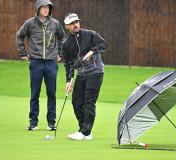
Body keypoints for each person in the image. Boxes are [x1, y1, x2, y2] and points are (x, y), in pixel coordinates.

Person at [16, 0, 65, 131]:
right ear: (38, 9)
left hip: (51, 63)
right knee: (35, 93)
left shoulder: (55, 24)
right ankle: (33, 123)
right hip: (36, 62)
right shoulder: (29, 23)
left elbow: (62, 37)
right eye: (43, 7)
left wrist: (60, 52)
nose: (46, 10)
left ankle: (51, 123)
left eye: (48, 8)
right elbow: (19, 36)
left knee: (52, 94)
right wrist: (22, 53)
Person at [62, 13, 108, 140]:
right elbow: (68, 64)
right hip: (81, 74)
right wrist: (68, 80)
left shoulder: (90, 34)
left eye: (76, 22)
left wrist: (92, 51)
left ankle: (85, 132)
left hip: (95, 72)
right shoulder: (66, 44)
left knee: (89, 102)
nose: (75, 24)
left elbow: (103, 44)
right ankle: (85, 130)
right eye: (72, 23)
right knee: (76, 101)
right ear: (66, 26)